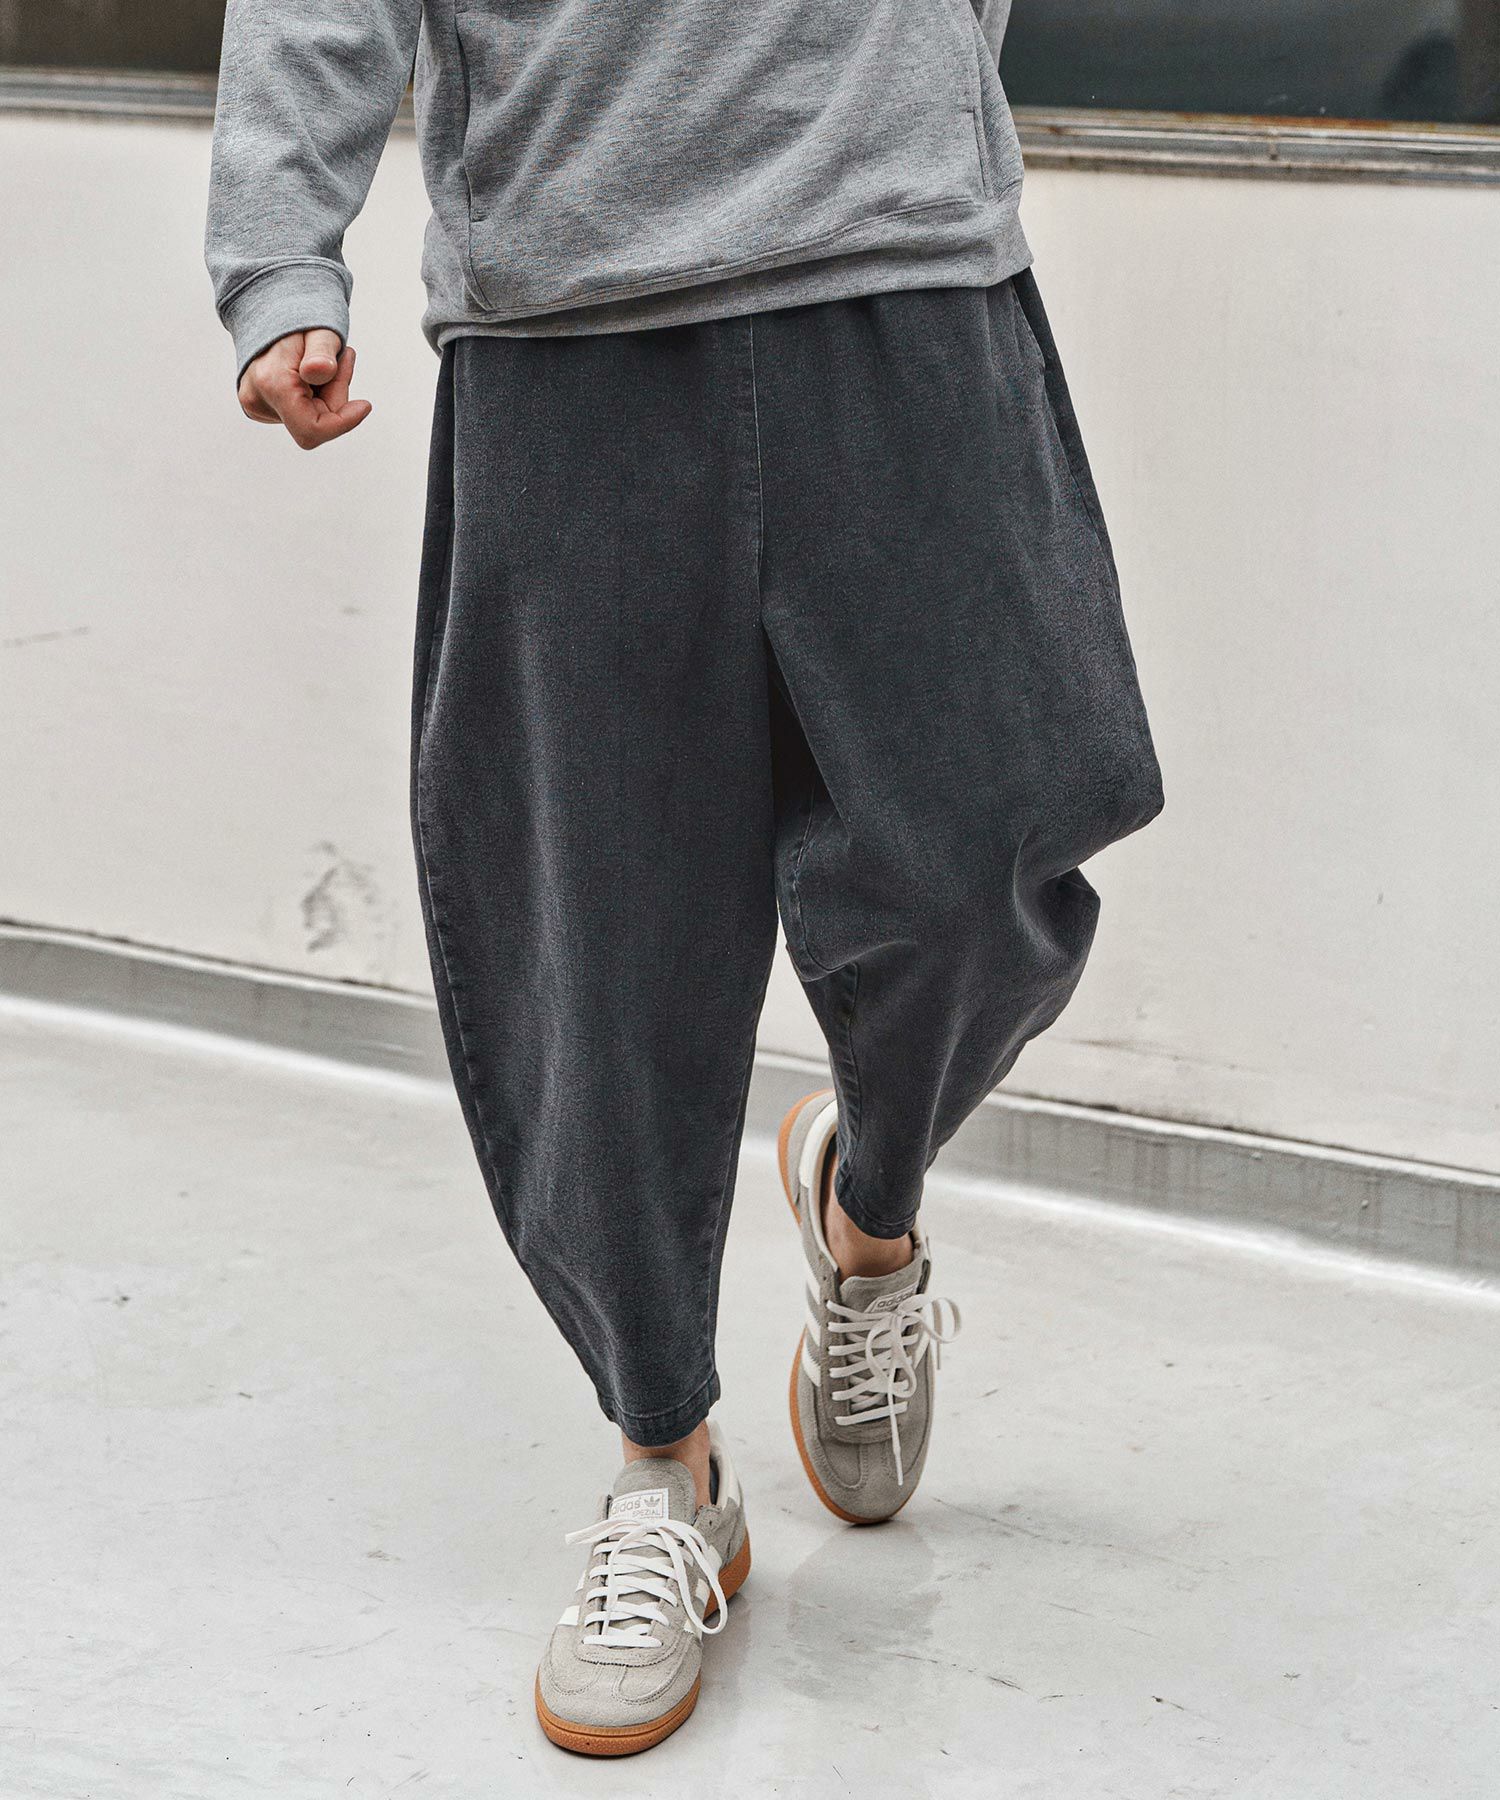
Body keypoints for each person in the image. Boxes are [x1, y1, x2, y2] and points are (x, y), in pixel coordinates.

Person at [206, 0, 1163, 1758]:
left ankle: (869, 1214)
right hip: (572, 321)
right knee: (598, 937)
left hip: (905, 277)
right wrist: (282, 254)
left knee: (993, 860)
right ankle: (669, 1463)